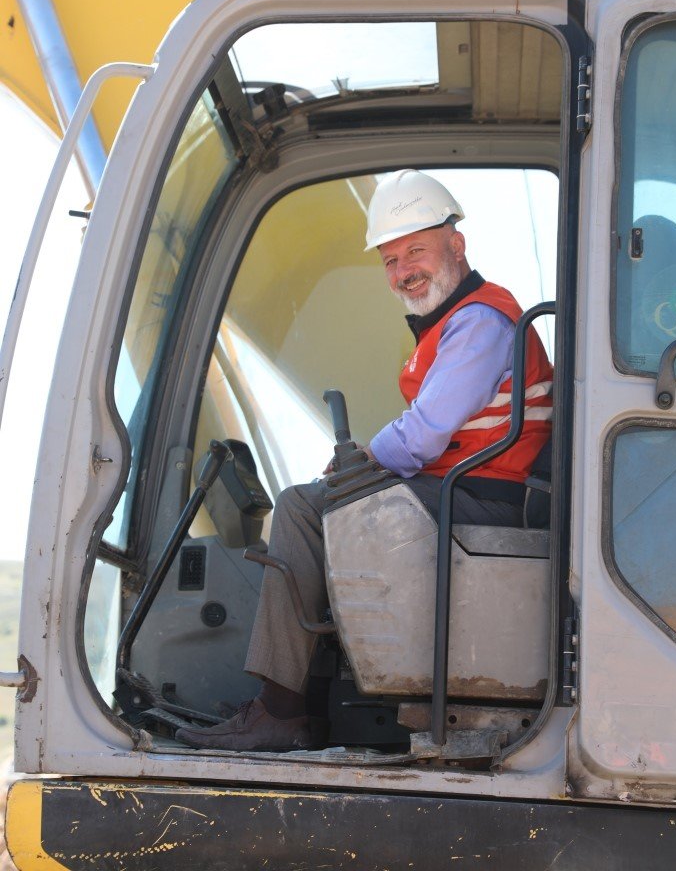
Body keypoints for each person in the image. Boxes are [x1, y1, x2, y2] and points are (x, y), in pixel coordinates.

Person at [176, 169, 553, 752]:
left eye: (416, 251)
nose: (404, 271)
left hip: (485, 497)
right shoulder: (459, 322)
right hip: (462, 487)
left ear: (456, 245)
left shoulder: (480, 322)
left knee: (303, 508)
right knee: (326, 508)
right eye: (390, 260)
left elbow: (425, 435)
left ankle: (281, 711)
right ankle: (306, 699)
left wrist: (358, 462)